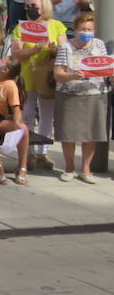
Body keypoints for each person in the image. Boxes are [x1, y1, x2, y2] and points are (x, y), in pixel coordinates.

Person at [7, 0, 63, 168]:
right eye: (28, 6)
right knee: (28, 114)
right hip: (27, 75)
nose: (30, 9)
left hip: (47, 77)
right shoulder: (21, 28)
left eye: (34, 6)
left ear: (44, 7)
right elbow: (16, 53)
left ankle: (43, 152)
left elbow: (64, 50)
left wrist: (54, 50)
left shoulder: (57, 26)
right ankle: (28, 152)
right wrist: (35, 49)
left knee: (48, 115)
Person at [54, 12, 110, 184]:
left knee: (91, 134)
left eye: (90, 29)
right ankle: (69, 167)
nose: (87, 32)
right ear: (76, 30)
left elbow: (105, 67)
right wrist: (72, 76)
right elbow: (58, 74)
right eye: (83, 29)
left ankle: (86, 168)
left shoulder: (99, 45)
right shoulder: (65, 46)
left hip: (95, 93)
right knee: (68, 133)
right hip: (69, 94)